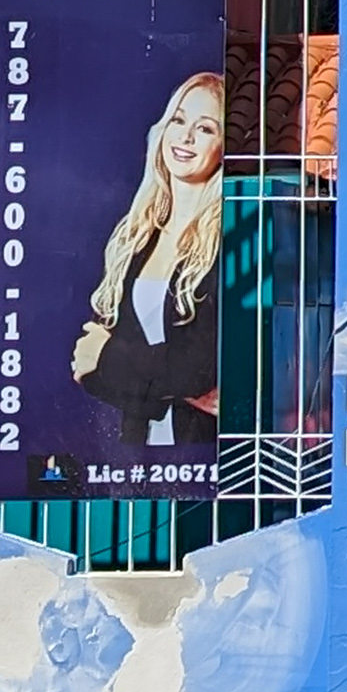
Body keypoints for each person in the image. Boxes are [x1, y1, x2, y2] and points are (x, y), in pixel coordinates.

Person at [70, 72, 225, 448]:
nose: (186, 138)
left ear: (224, 144)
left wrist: (110, 357)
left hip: (204, 451)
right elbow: (86, 370)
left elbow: (201, 369)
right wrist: (170, 383)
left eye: (204, 128)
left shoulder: (225, 239)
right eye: (179, 120)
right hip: (138, 446)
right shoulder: (135, 236)